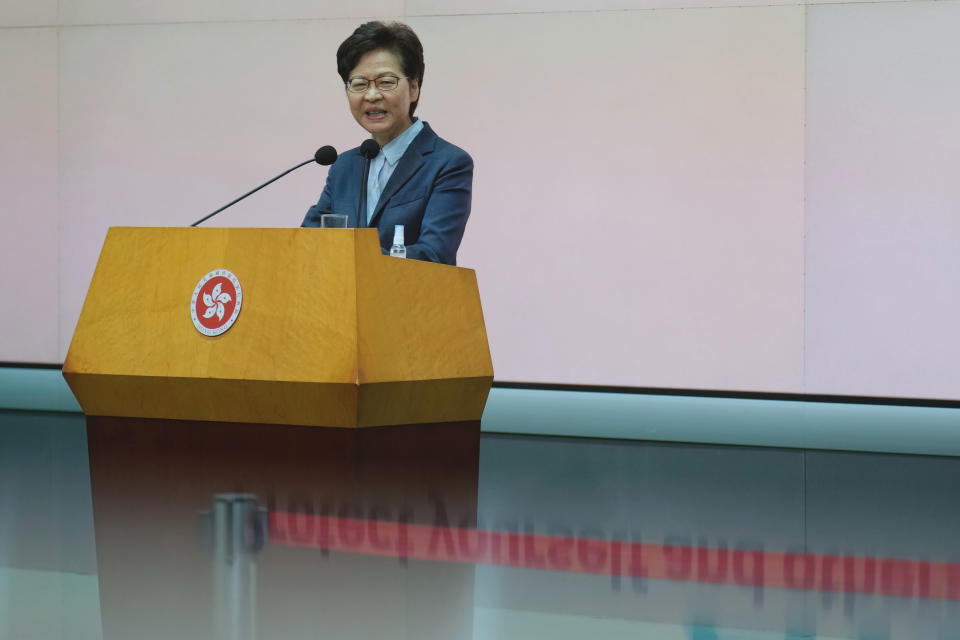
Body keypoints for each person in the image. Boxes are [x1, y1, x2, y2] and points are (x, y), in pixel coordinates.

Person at [302, 21, 473, 266]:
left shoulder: (447, 163)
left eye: (385, 82)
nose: (372, 95)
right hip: (342, 303)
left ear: (414, 88)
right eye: (360, 84)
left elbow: (434, 255)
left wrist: (352, 257)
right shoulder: (344, 166)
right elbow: (309, 241)